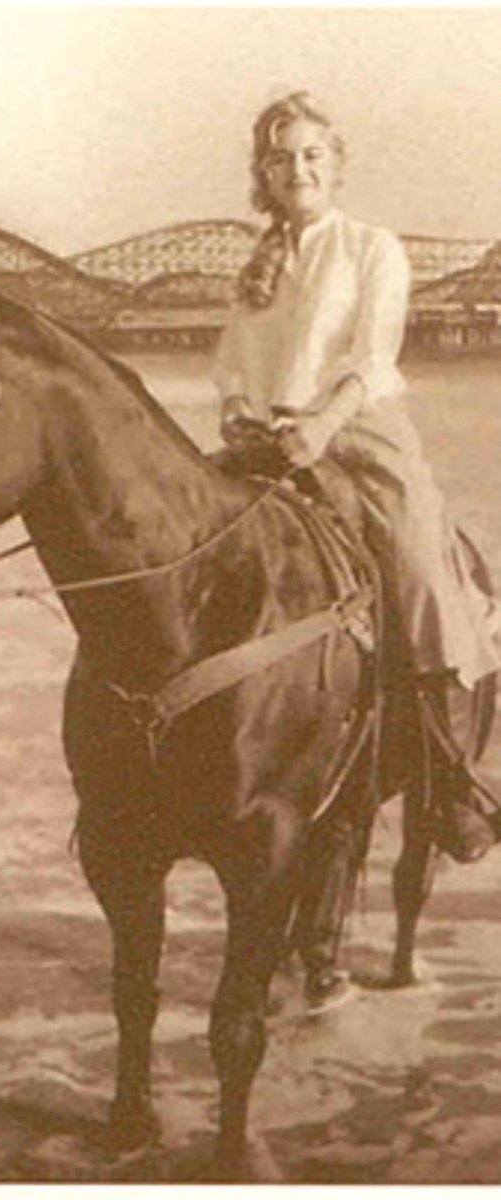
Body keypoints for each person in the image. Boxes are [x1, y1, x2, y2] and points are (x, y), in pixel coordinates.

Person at [213, 90, 501, 1008]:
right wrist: (240, 417)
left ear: (335, 168)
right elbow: (233, 364)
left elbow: (371, 356)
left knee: (418, 571)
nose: (295, 171)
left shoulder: (371, 248)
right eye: (280, 159)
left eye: (311, 156)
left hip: (356, 435)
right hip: (267, 443)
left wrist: (319, 425)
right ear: (262, 175)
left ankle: (449, 774)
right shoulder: (254, 268)